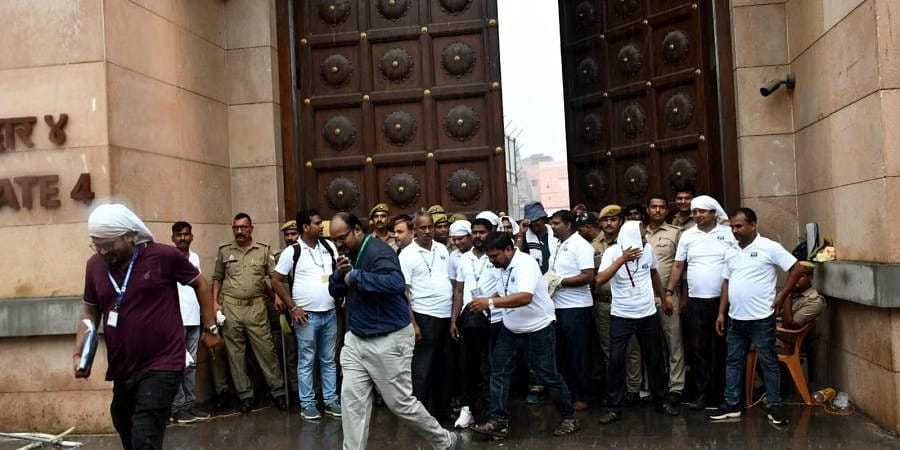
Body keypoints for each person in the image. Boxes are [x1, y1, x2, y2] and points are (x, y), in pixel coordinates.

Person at [73, 204, 219, 449]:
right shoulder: (95, 265)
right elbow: (90, 310)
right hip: (124, 366)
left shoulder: (163, 256)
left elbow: (201, 285)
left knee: (145, 434)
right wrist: (81, 354)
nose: (102, 250)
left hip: (163, 362)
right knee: (123, 421)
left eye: (108, 243)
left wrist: (210, 328)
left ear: (130, 236)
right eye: (96, 244)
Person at [328, 213, 461, 450]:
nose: (338, 244)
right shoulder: (348, 253)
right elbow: (338, 289)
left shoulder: (379, 252)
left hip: (388, 340)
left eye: (342, 238)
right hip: (357, 339)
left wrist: (356, 276)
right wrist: (338, 276)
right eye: (334, 239)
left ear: (357, 230)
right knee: (352, 403)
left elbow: (395, 283)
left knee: (401, 403)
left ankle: (445, 441)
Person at [470, 232, 578, 439]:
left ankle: (569, 416)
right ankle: (498, 421)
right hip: (511, 329)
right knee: (498, 371)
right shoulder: (501, 266)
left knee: (548, 374)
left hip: (539, 329)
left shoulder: (525, 263)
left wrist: (490, 303)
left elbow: (525, 297)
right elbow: (504, 293)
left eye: (494, 256)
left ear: (509, 250)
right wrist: (483, 302)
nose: (492, 261)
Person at [708, 208, 804, 425]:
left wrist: (783, 295)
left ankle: (774, 406)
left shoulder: (768, 247)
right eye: (732, 226)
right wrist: (721, 313)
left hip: (761, 319)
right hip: (735, 319)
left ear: (753, 225)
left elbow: (797, 268)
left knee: (768, 362)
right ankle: (732, 405)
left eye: (739, 226)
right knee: (733, 361)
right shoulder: (731, 250)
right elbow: (726, 282)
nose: (734, 231)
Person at [595, 221, 680, 424]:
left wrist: (664, 298)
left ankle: (661, 400)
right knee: (616, 360)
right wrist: (622, 260)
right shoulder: (613, 252)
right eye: (641, 236)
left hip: (647, 313)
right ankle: (615, 407)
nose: (644, 239)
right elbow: (599, 279)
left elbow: (653, 274)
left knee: (655, 359)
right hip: (621, 315)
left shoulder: (647, 250)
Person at [212, 213, 297, 413]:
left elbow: (273, 276)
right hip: (231, 307)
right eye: (236, 228)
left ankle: (277, 392)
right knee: (236, 354)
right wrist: (214, 303)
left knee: (266, 350)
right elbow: (217, 278)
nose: (239, 231)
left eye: (243, 227)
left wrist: (276, 295)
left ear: (251, 228)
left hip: (257, 307)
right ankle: (245, 395)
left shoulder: (263, 250)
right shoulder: (225, 251)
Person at [665, 195, 736, 410]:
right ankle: (703, 394)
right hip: (696, 302)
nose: (697, 215)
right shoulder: (687, 235)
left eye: (702, 211)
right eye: (695, 212)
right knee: (698, 349)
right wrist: (668, 292)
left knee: (722, 348)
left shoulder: (728, 233)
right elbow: (678, 266)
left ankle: (723, 394)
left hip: (724, 302)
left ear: (714, 213)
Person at [271, 209, 341, 421]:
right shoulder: (292, 252)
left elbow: (337, 272)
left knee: (329, 360)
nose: (322, 226)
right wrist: (293, 307)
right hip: (306, 316)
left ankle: (330, 400)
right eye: (318, 223)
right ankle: (308, 403)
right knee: (306, 360)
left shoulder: (328, 247)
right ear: (305, 227)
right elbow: (276, 280)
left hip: (329, 313)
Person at [399, 211, 453, 419]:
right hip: (423, 315)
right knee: (423, 367)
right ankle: (420, 413)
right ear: (414, 230)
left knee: (444, 365)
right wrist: (413, 323)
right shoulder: (407, 254)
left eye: (430, 227)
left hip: (445, 313)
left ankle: (442, 410)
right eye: (422, 227)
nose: (428, 231)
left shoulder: (441, 249)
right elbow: (403, 292)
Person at [451, 217, 502, 428]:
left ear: (490, 232)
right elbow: (459, 290)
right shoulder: (463, 259)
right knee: (467, 365)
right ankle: (467, 408)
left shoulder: (497, 257)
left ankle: (496, 410)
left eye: (482, 232)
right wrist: (453, 319)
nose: (478, 236)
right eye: (475, 233)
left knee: (493, 365)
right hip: (469, 318)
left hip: (495, 316)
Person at [592, 205, 643, 404]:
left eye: (613, 219)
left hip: (628, 303)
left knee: (632, 349)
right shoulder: (594, 246)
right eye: (605, 220)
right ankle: (615, 390)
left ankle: (633, 389)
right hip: (604, 304)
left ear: (620, 221)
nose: (609, 223)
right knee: (609, 350)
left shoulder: (631, 242)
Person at [547, 210, 596, 411]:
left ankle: (583, 396)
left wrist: (561, 282)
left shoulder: (581, 245)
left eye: (556, 224)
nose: (553, 227)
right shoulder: (559, 244)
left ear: (568, 224)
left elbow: (588, 276)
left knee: (579, 354)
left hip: (577, 308)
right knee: (563, 354)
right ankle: (567, 394)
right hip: (558, 307)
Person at [169, 221, 212, 423]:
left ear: (191, 236)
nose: (183, 238)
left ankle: (190, 405)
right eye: (179, 235)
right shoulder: (168, 258)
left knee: (191, 364)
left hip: (193, 318)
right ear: (173, 238)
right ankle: (177, 408)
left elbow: (200, 287)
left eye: (186, 234)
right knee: (177, 364)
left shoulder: (194, 257)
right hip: (175, 319)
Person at [645, 195, 686, 402]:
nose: (658, 210)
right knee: (650, 345)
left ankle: (676, 387)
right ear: (647, 209)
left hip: (668, 297)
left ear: (667, 210)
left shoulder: (676, 233)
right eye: (654, 207)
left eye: (662, 207)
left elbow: (681, 266)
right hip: (644, 298)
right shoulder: (639, 233)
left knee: (674, 343)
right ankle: (654, 386)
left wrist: (670, 294)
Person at [778, 261, 825, 352]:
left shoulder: (815, 301)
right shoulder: (788, 293)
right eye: (793, 276)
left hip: (786, 342)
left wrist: (787, 296)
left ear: (810, 278)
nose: (796, 280)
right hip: (770, 332)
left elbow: (789, 325)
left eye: (801, 276)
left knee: (751, 343)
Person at [516, 201, 555, 274]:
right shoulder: (524, 236)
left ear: (543, 219)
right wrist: (521, 233)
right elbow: (516, 256)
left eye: (536, 220)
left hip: (553, 277)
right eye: (531, 221)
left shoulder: (554, 233)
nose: (533, 223)